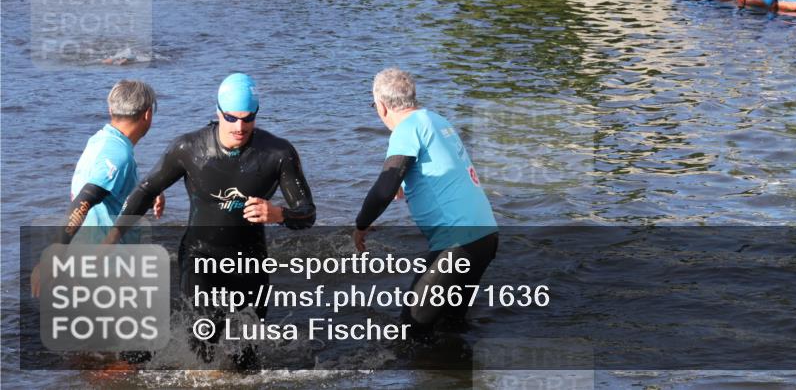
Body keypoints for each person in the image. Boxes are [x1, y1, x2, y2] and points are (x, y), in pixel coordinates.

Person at [108, 73, 315, 372]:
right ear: (218, 112)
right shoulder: (189, 149)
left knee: (247, 361)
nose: (239, 127)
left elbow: (308, 212)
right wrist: (113, 236)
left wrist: (279, 214)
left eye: (248, 119)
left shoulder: (278, 154)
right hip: (200, 255)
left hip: (250, 263)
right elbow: (145, 190)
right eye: (231, 118)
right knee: (204, 335)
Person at [353, 68, 499, 337]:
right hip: (485, 236)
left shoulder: (406, 129)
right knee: (450, 325)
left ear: (382, 107)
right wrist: (405, 184)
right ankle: (458, 375)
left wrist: (361, 224)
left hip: (458, 243)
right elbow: (442, 172)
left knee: (411, 330)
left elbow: (383, 190)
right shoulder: (436, 120)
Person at [31, 80, 163, 296]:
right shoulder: (118, 155)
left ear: (111, 109)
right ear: (148, 114)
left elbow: (108, 187)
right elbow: (84, 201)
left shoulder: (101, 140)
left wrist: (148, 192)